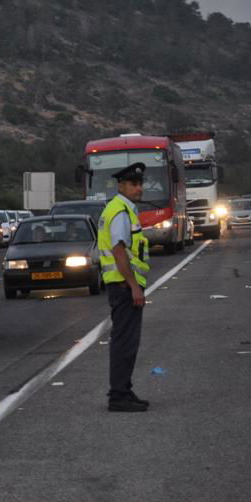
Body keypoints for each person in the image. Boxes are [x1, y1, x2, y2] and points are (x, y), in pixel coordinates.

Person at [97, 162, 151, 413]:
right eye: (133, 184)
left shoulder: (123, 209)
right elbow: (119, 251)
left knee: (127, 342)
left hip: (123, 285)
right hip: (123, 286)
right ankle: (118, 396)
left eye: (140, 183)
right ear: (121, 185)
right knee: (125, 343)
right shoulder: (119, 211)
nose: (138, 188)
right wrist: (134, 287)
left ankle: (124, 391)